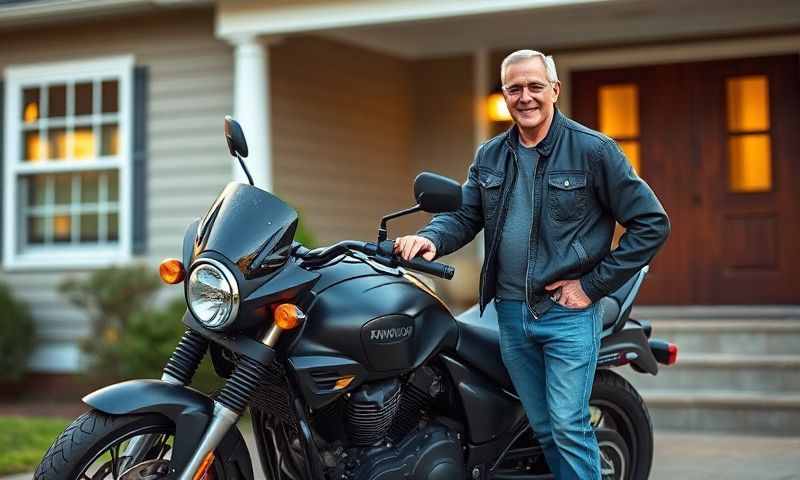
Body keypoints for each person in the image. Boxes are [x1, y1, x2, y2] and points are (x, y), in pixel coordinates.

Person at [394, 49, 670, 479]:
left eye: (535, 86)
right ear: (505, 94)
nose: (525, 96)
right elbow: (464, 215)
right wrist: (428, 239)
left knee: (567, 425)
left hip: (567, 315)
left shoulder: (594, 151)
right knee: (543, 428)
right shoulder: (490, 155)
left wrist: (592, 285)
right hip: (509, 312)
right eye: (514, 88)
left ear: (554, 90)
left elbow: (652, 224)